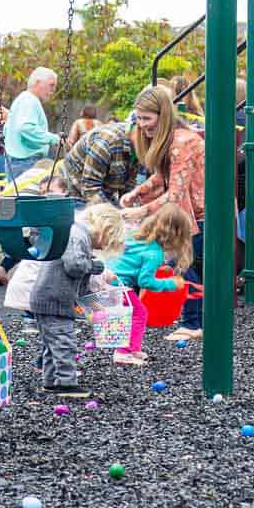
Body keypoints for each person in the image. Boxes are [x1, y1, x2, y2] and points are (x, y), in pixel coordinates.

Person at [120, 85, 206, 342]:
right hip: (190, 211)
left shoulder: (182, 142)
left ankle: (194, 323)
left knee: (181, 262)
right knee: (181, 263)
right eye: (139, 118)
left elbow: (176, 193)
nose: (142, 124)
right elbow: (163, 176)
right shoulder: (173, 140)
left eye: (147, 118)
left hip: (203, 212)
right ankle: (192, 320)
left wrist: (141, 211)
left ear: (163, 115)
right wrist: (138, 192)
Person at [30, 204, 121, 397]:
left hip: (51, 299)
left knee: (52, 343)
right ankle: (66, 383)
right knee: (64, 342)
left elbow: (83, 285)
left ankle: (51, 381)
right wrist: (93, 265)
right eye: (107, 242)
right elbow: (74, 267)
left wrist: (97, 308)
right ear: (104, 229)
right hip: (53, 298)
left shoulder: (79, 236)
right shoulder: (77, 235)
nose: (103, 247)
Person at [110, 204, 191, 366]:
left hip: (107, 279)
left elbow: (132, 261)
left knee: (125, 315)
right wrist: (171, 284)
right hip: (117, 284)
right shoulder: (155, 253)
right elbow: (145, 282)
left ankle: (130, 348)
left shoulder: (136, 236)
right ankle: (123, 352)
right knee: (138, 313)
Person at [58, 120, 142, 205]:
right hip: (76, 180)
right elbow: (90, 187)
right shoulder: (107, 143)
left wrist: (128, 204)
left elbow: (128, 185)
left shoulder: (140, 146)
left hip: (104, 183)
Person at [3, 67, 60, 181]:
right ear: (38, 83)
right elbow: (26, 128)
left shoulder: (23, 99)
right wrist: (54, 138)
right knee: (28, 197)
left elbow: (7, 129)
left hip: (19, 161)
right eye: (51, 85)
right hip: (25, 163)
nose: (53, 90)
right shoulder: (29, 100)